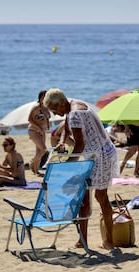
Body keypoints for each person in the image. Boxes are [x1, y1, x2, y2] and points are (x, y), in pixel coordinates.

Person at [44, 88, 119, 250]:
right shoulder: (76, 105)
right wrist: (63, 141)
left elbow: (80, 144)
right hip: (98, 152)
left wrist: (69, 165)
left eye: (55, 109)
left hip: (100, 155)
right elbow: (65, 126)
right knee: (84, 197)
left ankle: (109, 241)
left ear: (62, 103)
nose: (55, 114)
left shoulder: (75, 115)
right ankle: (82, 240)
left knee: (100, 196)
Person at [28, 90, 51, 175]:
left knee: (39, 151)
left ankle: (35, 169)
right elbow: (30, 119)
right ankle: (32, 164)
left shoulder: (47, 108)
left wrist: (47, 126)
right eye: (43, 97)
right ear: (40, 98)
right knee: (43, 150)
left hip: (43, 132)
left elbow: (47, 118)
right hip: (34, 130)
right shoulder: (36, 107)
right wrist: (39, 128)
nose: (45, 98)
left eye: (46, 96)